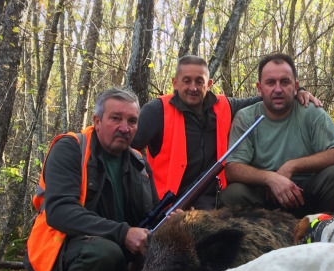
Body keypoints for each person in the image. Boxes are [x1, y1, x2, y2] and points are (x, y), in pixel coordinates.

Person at [25, 87, 159, 271]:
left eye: (132, 121)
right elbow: (60, 212)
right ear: (97, 121)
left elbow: (150, 213)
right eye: (115, 118)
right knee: (104, 253)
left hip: (118, 246)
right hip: (63, 247)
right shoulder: (71, 148)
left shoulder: (138, 162)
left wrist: (169, 223)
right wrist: (122, 233)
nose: (124, 127)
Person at [132, 55, 321, 209]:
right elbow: (128, 149)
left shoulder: (225, 106)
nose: (193, 87)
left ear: (209, 83)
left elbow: (268, 96)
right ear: (175, 83)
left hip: (215, 201)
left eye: (200, 81)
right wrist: (143, 190)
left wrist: (298, 91)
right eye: (186, 81)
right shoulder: (157, 111)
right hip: (168, 205)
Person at [219, 53, 334, 217]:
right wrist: (270, 178)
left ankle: (324, 229)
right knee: (232, 194)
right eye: (270, 83)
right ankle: (261, 238)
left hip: (306, 193)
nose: (278, 89)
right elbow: (233, 169)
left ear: (295, 86)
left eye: (285, 82)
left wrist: (291, 166)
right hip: (264, 199)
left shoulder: (311, 112)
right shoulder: (246, 117)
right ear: (259, 88)